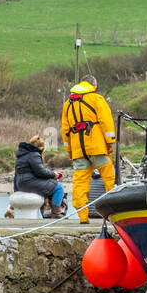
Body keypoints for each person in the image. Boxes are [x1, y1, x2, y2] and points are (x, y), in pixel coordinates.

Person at [61, 75, 116, 224]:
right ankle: (113, 213)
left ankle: (83, 217)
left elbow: (65, 129)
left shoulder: (68, 103)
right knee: (109, 179)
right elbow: (106, 121)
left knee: (80, 183)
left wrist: (69, 150)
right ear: (94, 85)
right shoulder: (97, 99)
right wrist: (110, 141)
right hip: (97, 147)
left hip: (78, 150)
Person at [14, 136, 67, 219]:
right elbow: (40, 172)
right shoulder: (34, 154)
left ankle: (47, 212)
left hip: (21, 184)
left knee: (50, 184)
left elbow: (17, 174)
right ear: (41, 147)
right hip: (29, 183)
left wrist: (16, 190)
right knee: (58, 187)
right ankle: (56, 213)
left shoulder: (22, 154)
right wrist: (54, 174)